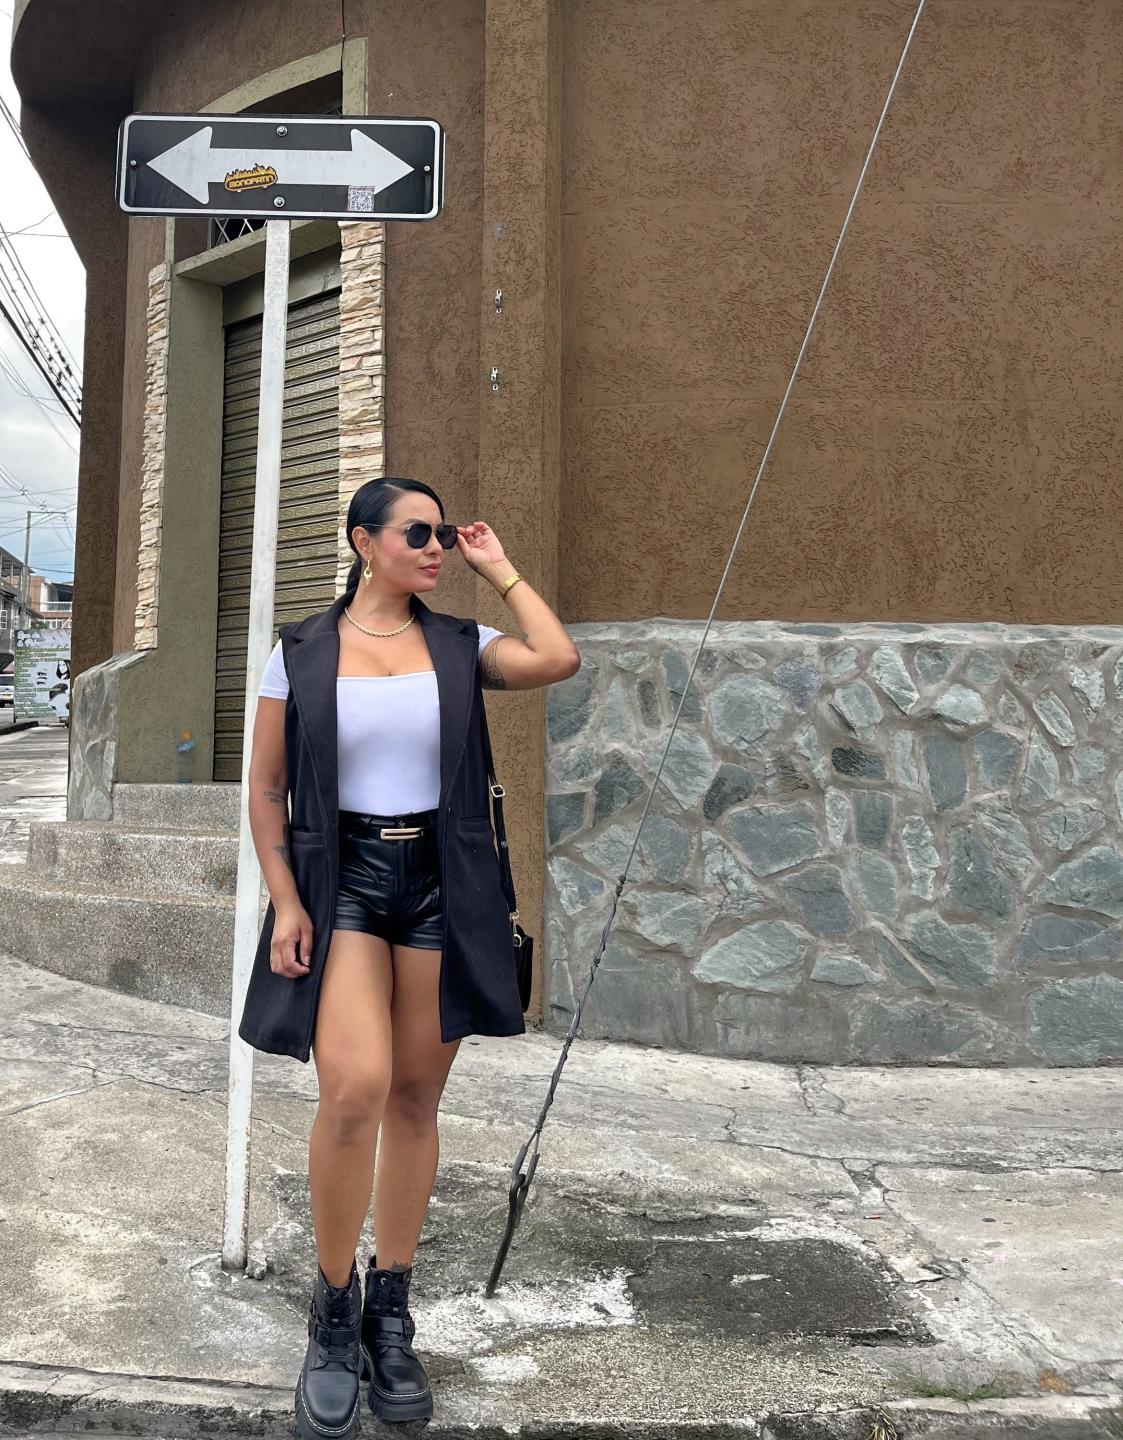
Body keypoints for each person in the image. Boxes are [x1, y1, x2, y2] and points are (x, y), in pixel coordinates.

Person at [243, 476, 580, 1439]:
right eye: (418, 533)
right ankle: (332, 1314)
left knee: (415, 1100)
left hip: (442, 882)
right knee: (354, 1088)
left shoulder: (459, 644)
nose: (436, 548)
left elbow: (557, 656)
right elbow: (265, 788)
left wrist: (498, 567)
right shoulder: (300, 651)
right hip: (344, 881)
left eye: (442, 535)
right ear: (364, 542)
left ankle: (390, 1312)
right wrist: (284, 900)